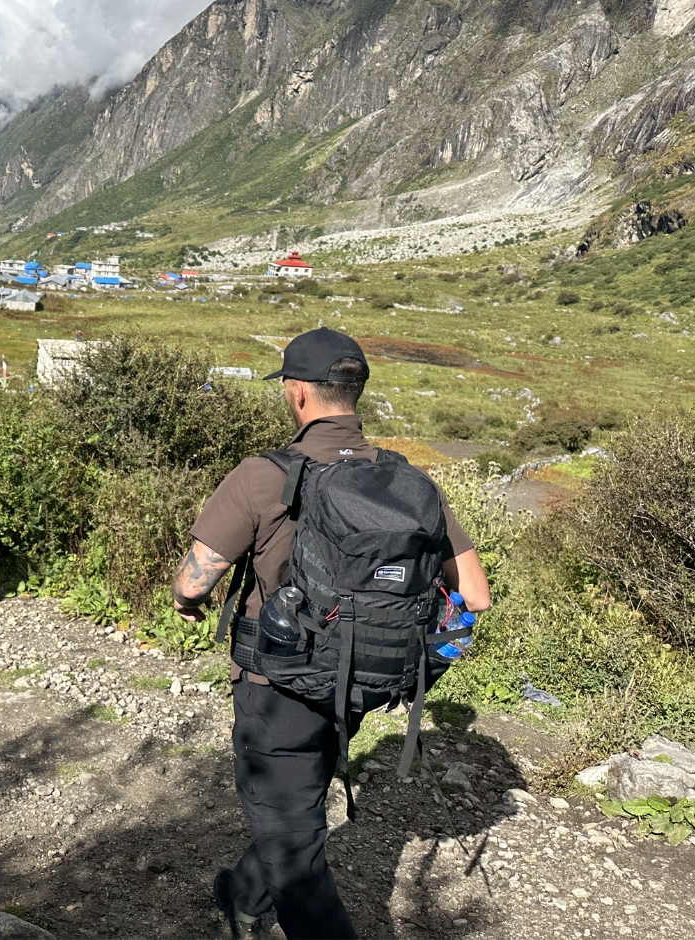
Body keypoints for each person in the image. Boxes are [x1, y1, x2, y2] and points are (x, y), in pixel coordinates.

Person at [170, 328, 492, 940]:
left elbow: (193, 582)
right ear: (356, 391)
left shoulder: (264, 477)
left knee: (297, 853)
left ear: (296, 394)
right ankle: (243, 894)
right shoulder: (408, 482)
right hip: (362, 679)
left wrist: (187, 604)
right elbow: (474, 597)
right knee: (296, 806)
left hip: (278, 687)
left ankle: (273, 899)